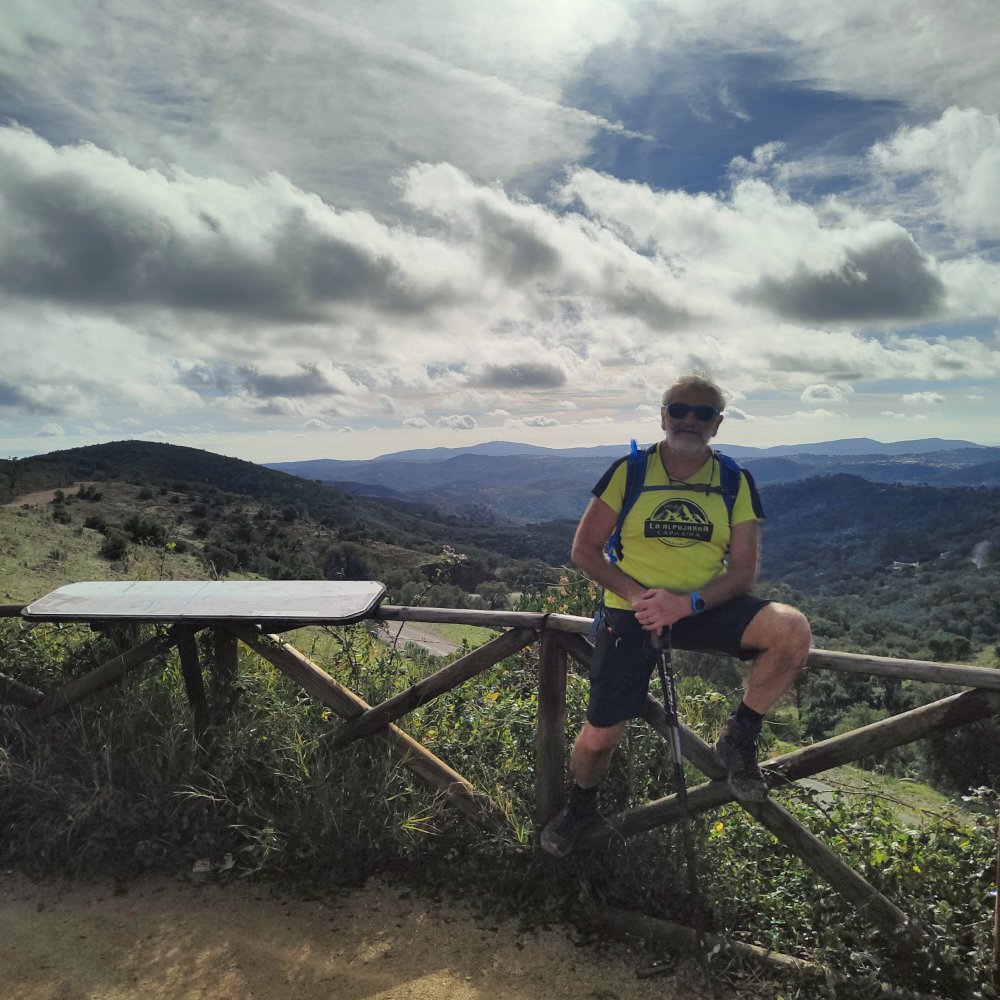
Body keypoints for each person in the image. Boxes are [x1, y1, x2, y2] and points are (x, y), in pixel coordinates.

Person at [540, 373, 811, 858]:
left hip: (704, 605)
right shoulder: (629, 472)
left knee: (790, 629)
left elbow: (743, 571)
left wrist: (686, 604)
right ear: (663, 416)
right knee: (600, 736)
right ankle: (580, 806)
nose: (690, 419)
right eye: (679, 409)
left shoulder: (734, 481)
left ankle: (740, 736)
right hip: (633, 612)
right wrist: (641, 597)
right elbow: (584, 550)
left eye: (702, 413)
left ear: (717, 424)